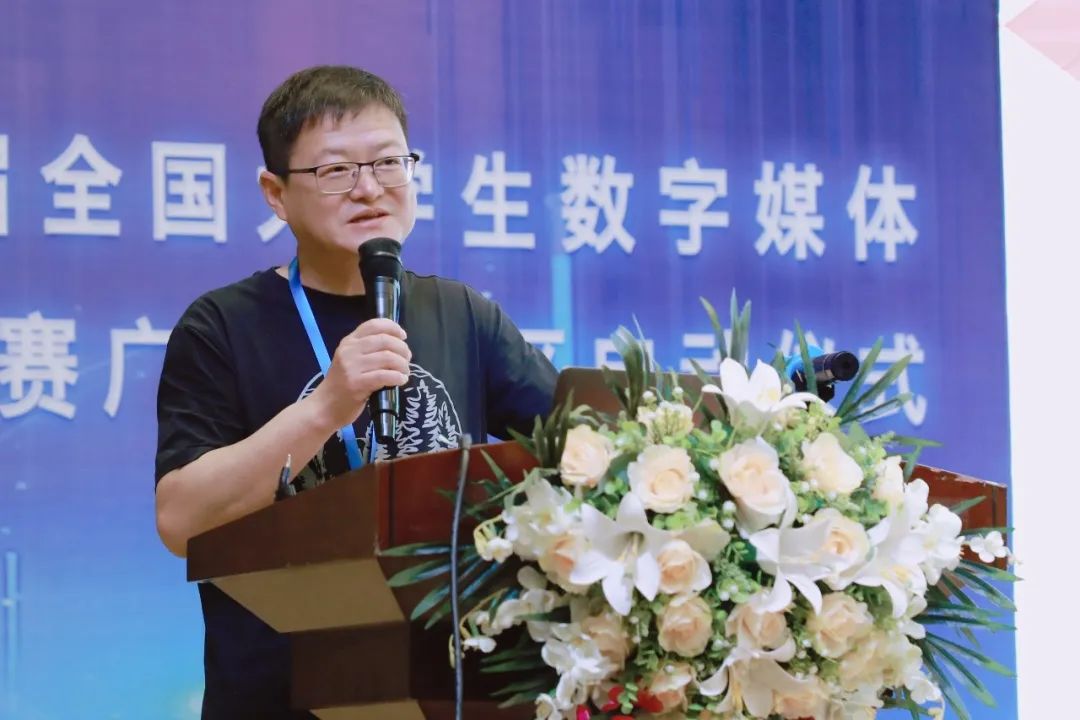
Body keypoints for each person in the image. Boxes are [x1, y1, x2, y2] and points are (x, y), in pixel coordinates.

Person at [154, 65, 557, 718]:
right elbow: (180, 521)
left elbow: (577, 453)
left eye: (389, 162)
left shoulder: (463, 315)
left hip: (445, 692)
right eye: (336, 170)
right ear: (275, 192)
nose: (369, 188)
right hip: (277, 699)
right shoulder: (222, 326)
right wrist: (325, 407)